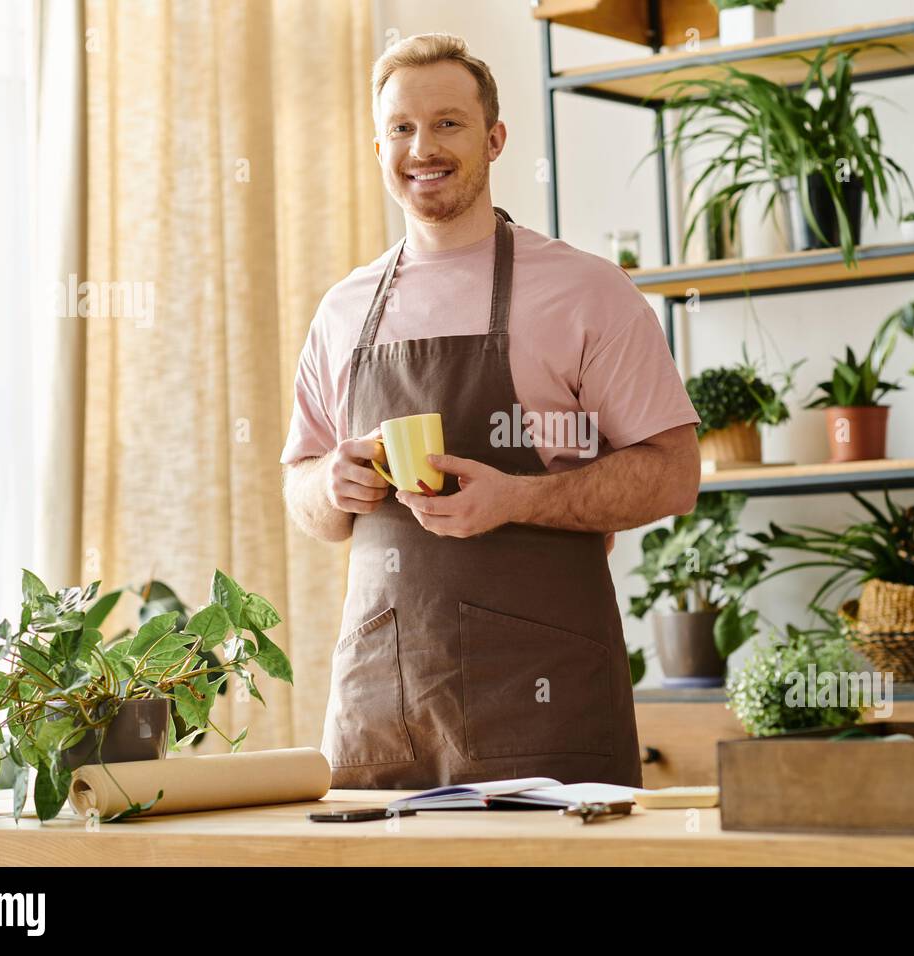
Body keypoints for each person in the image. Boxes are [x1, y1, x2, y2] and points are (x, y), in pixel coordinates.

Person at [280, 32, 701, 789]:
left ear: (494, 138)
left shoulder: (586, 291)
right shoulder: (342, 310)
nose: (423, 148)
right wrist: (329, 485)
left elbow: (673, 476)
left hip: (545, 702)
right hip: (382, 708)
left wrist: (517, 499)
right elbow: (303, 493)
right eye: (402, 129)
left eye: (448, 123)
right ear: (379, 148)